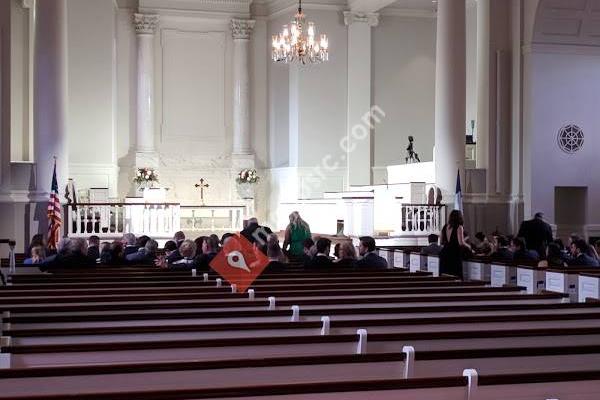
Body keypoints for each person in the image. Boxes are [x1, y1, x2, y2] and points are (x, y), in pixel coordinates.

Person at [439, 210, 470, 278]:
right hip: (454, 253)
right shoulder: (459, 227)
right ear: (459, 217)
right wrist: (469, 246)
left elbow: (441, 241)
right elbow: (461, 243)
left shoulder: (445, 227)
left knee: (445, 277)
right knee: (455, 277)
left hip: (444, 252)